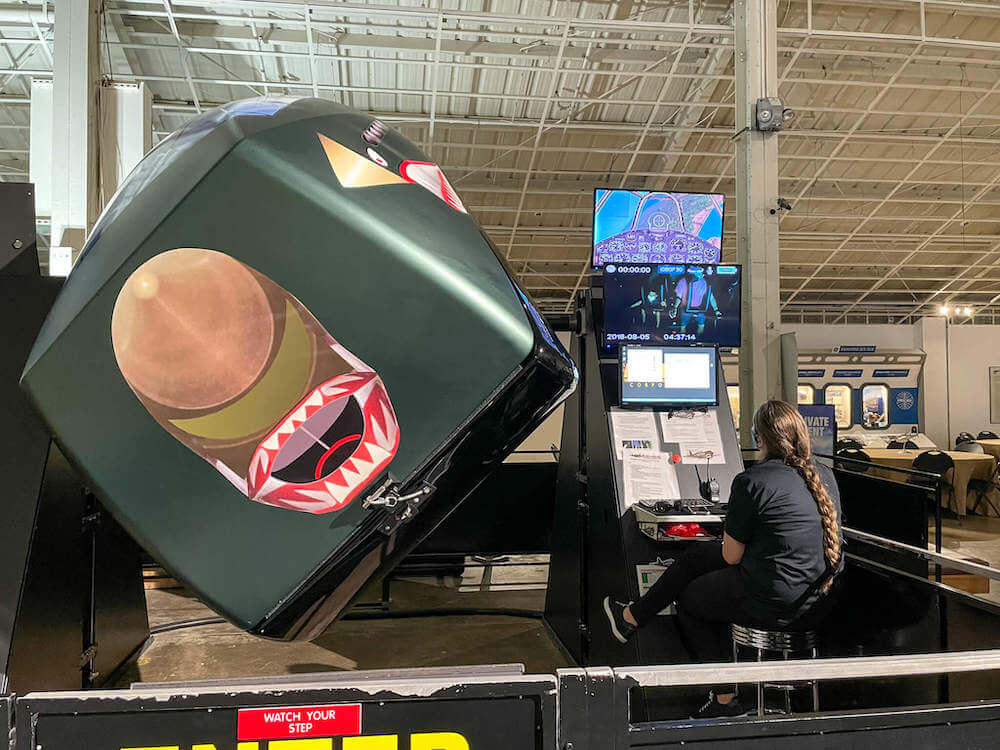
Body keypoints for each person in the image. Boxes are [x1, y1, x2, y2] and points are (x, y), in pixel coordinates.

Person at [603, 400, 844, 719]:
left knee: (691, 599)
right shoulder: (824, 475)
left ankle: (725, 699)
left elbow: (731, 555)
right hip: (822, 601)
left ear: (759, 439)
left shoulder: (752, 481)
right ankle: (632, 617)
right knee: (697, 559)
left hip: (775, 601)